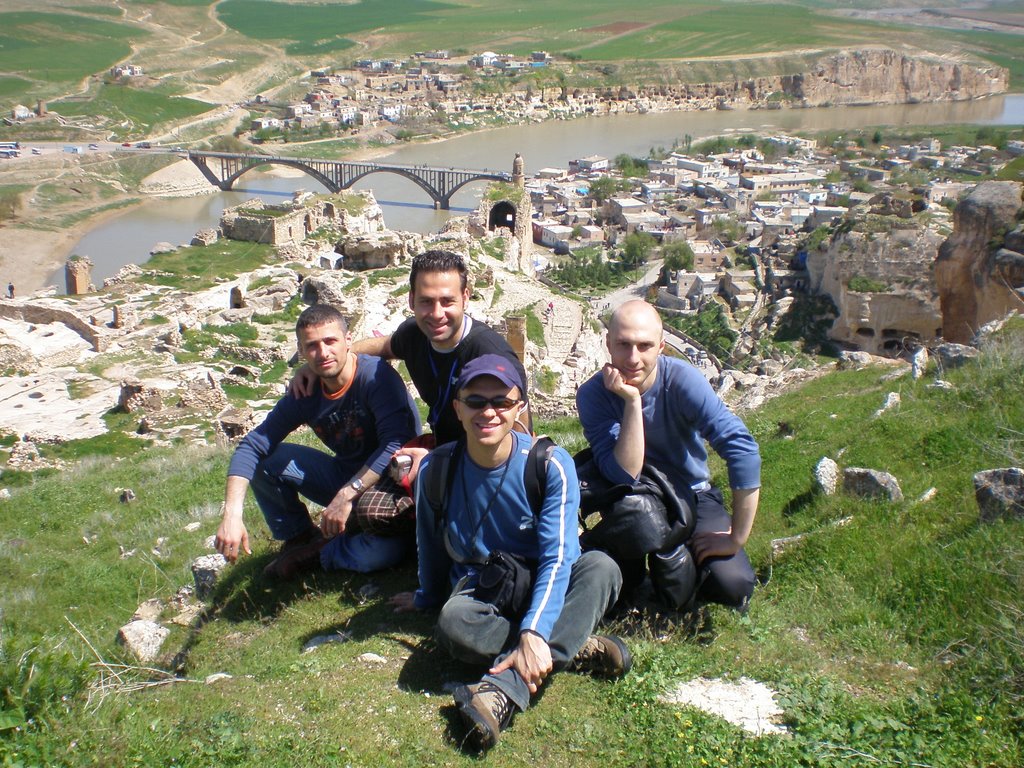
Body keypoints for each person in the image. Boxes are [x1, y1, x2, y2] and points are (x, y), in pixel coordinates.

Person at [390, 354, 629, 752]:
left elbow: (558, 555)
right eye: (476, 401)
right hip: (486, 587)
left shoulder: (549, 464)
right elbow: (429, 542)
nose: (489, 412)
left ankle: (504, 687)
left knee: (602, 567)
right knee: (453, 623)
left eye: (501, 401)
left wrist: (533, 629)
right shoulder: (437, 469)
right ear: (458, 409)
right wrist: (427, 595)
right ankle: (570, 642)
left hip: (544, 579)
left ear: (520, 407)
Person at [576, 299, 761, 610]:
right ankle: (639, 573)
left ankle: (681, 566)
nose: (633, 358)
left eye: (644, 346)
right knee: (619, 589)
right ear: (608, 343)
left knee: (735, 585)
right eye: (623, 344)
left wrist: (735, 537)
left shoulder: (681, 381)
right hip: (630, 497)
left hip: (692, 491)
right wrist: (632, 402)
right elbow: (624, 474)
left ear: (661, 347)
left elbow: (742, 448)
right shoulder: (594, 395)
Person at [215, 304, 421, 578]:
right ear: (301, 351)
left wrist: (348, 494)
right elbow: (252, 446)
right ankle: (298, 536)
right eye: (312, 346)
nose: (323, 353)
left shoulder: (376, 378)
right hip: (344, 475)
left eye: (330, 341)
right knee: (266, 460)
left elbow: (395, 443)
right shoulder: (307, 390)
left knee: (383, 554)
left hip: (391, 482)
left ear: (348, 341)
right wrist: (231, 515)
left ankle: (320, 553)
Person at [293, 249, 530, 477]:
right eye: (426, 302)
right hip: (438, 446)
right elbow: (384, 347)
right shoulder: (414, 334)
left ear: (465, 298)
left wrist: (435, 461)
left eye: (447, 301)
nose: (437, 314)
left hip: (481, 462)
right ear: (411, 300)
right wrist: (324, 362)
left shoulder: (490, 354)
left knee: (372, 509)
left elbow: (520, 434)